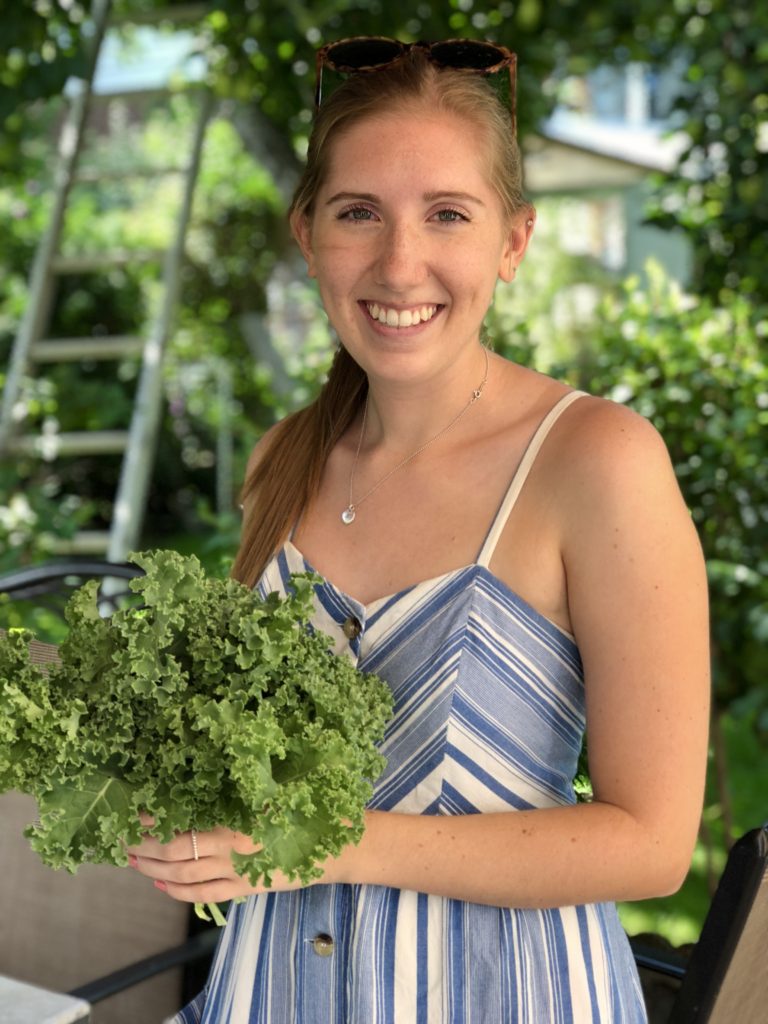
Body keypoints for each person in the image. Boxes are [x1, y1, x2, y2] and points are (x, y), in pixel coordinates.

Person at [127, 37, 710, 1023]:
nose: (401, 262)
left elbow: (652, 845)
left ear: (512, 242)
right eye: (359, 213)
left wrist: (325, 839)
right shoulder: (282, 458)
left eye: (448, 213)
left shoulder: (597, 461)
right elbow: (250, 756)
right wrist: (190, 816)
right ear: (307, 234)